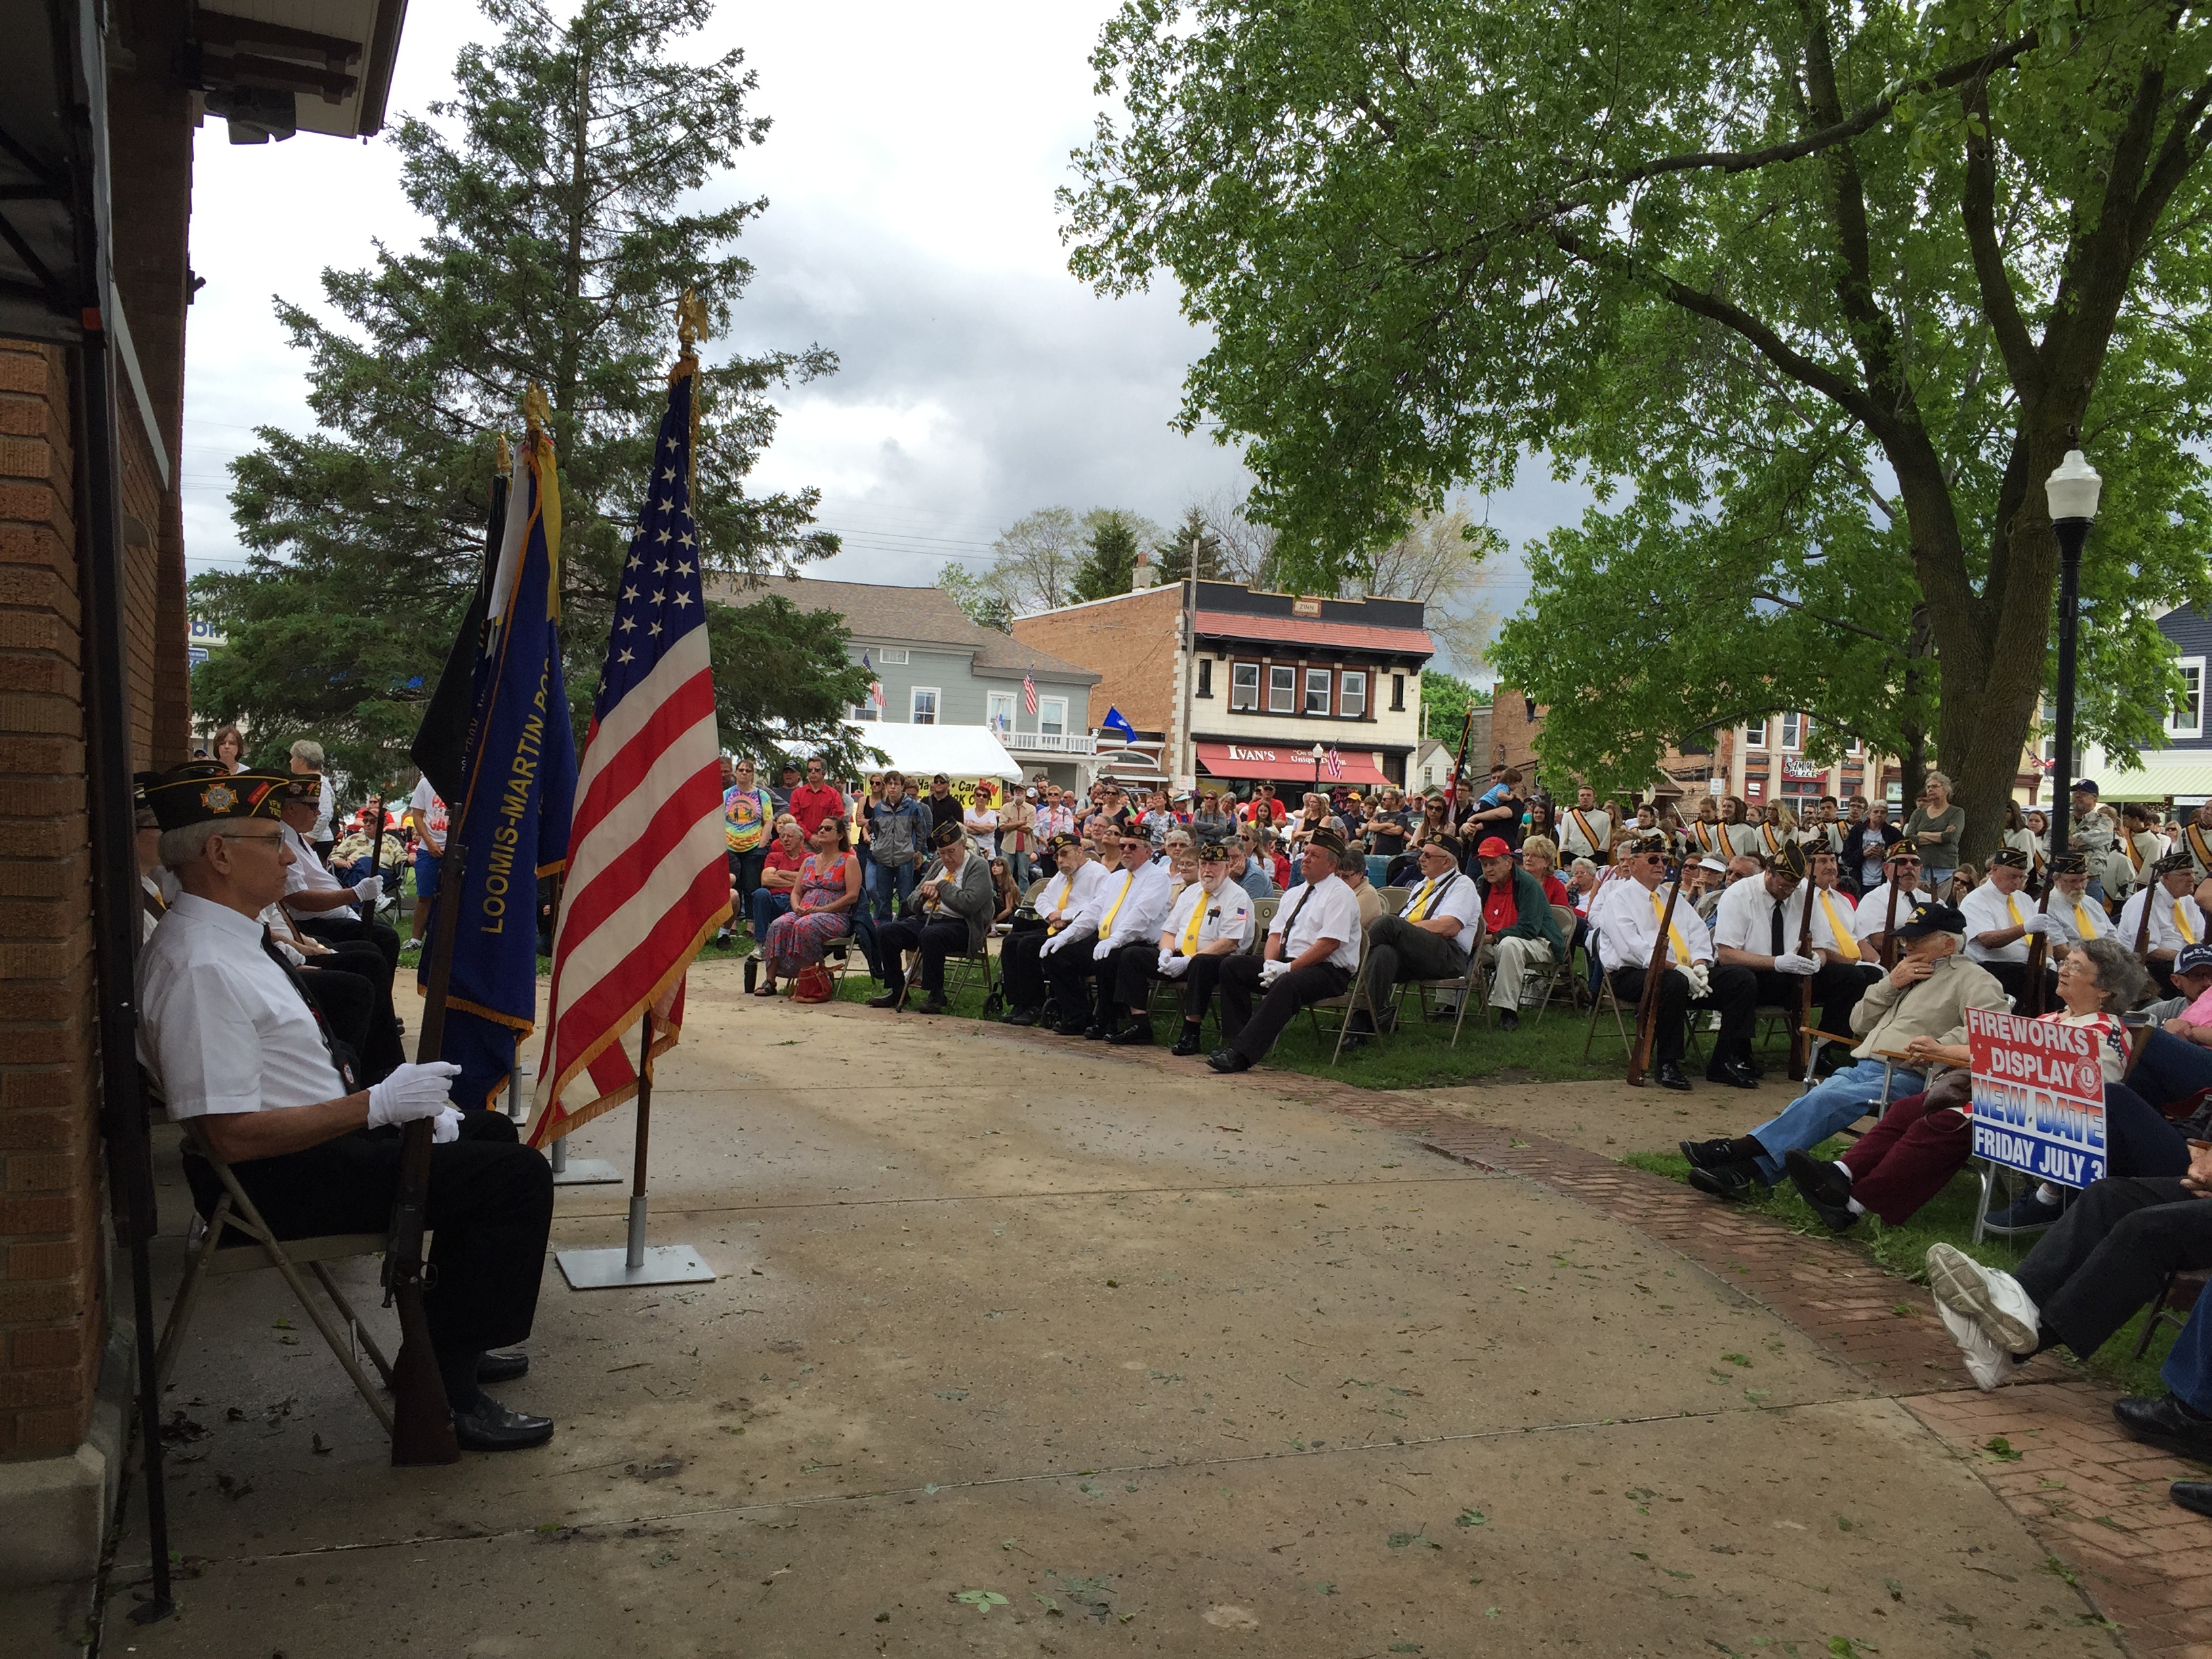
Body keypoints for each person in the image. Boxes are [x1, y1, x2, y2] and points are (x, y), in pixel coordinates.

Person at [136, 760, 555, 1452]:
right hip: (279, 1181)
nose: (286, 856)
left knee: (488, 1134)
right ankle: (449, 1392)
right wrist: (375, 1108)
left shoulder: (225, 936)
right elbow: (232, 1136)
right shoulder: (199, 966)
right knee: (515, 1182)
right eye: (270, 841)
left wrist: (378, 1105)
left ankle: (452, 1341)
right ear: (218, 854)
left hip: (309, 1149)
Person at [1788, 935, 2160, 1234]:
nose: (2063, 970)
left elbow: (2094, 1096)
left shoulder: (2104, 1033)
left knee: (1944, 1123)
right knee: (1910, 1107)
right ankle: (1840, 1175)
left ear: (2105, 990)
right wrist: (1944, 1051)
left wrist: (1959, 1056)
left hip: (2044, 1121)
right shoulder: (2054, 1017)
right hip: (2001, 1098)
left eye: (2076, 968)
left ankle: (1853, 1206)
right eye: (2065, 962)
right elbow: (2002, 1053)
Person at [1679, 901, 2008, 1200]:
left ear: (1949, 943)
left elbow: (1991, 1037)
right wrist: (1890, 985)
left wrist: (1942, 1046)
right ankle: (1745, 1174)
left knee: (1826, 1099)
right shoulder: (1908, 972)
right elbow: (1858, 1023)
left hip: (1911, 1076)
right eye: (1907, 939)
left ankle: (1736, 1149)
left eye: (1918, 940)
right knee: (1814, 1099)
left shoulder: (1974, 980)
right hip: (1866, 1065)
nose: (1907, 946)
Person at [1595, 834, 1757, 1092]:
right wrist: (1679, 969)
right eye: (1653, 859)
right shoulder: (1619, 899)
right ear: (1634, 864)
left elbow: (1698, 931)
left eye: (1664, 859)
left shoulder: (1672, 896)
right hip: (1633, 975)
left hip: (1685, 973)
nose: (1660, 864)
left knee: (1741, 979)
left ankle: (1725, 1060)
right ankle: (1667, 1063)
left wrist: (1701, 964)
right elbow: (1633, 950)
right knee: (1673, 982)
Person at [1208, 830, 1364, 1073]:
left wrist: (1288, 968)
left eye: (1314, 855)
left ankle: (1242, 1054)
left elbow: (1329, 944)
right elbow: (1275, 935)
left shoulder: (1340, 894)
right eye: (1306, 852)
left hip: (1328, 970)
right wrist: (1271, 963)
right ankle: (1235, 1041)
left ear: (1332, 864)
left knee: (1288, 982)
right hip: (1287, 963)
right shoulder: (1294, 893)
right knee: (1232, 967)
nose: (1306, 858)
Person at [1708, 841, 1864, 1074]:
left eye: (1794, 886)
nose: (1789, 891)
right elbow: (1727, 954)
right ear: (1769, 873)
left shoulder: (1804, 892)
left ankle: (1823, 1048)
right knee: (1741, 979)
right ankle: (1737, 1054)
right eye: (1784, 886)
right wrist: (1776, 962)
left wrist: (1815, 959)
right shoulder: (1739, 895)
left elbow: (1821, 947)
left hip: (1794, 973)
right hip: (1753, 972)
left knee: (1850, 976)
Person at [1106, 840, 1256, 1050]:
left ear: (1227, 868)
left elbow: (1229, 943)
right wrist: (1165, 951)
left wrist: (1188, 960)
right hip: (1178, 955)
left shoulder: (1238, 897)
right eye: (1203, 864)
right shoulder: (1191, 892)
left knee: (1200, 964)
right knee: (1132, 955)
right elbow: (1169, 931)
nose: (1207, 870)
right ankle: (1139, 1025)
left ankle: (1191, 1033)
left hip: (1214, 961)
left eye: (1214, 865)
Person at [1339, 834, 1486, 1044]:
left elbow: (1449, 926)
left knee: (1389, 923)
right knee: (1383, 954)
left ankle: (1346, 964)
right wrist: (1404, 931)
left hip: (1447, 956)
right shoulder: (1421, 886)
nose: (1421, 858)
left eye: (1427, 855)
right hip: (1415, 955)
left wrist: (1404, 929)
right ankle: (1362, 1024)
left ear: (1446, 861)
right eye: (1421, 853)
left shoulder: (1462, 885)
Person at [1044, 827, 1176, 1038]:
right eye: (1122, 846)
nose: (1125, 850)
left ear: (1148, 851)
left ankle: (1107, 1020)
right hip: (1108, 938)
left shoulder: (1156, 877)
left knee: (1109, 958)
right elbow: (1094, 910)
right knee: (1057, 955)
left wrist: (1116, 938)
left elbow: (1141, 915)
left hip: (1138, 941)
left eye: (1132, 846)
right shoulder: (1117, 878)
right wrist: (1066, 935)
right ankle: (1079, 1014)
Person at [868, 821, 995, 1014]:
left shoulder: (978, 866)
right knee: (887, 931)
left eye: (951, 851)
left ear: (963, 845)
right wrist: (923, 896)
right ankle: (897, 989)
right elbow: (911, 901)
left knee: (931, 934)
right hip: (929, 919)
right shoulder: (938, 866)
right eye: (941, 853)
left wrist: (942, 887)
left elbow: (970, 904)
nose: (946, 858)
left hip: (962, 925)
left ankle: (936, 994)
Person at [1002, 834, 1108, 1025]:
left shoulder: (1098, 874)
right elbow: (1042, 898)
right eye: (1057, 856)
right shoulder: (1061, 876)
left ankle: (1035, 1004)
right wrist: (1051, 914)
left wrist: (1065, 915)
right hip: (1055, 926)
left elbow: (1097, 907)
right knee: (1011, 941)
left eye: (1065, 854)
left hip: (1082, 931)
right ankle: (1018, 1002)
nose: (1060, 860)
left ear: (1079, 851)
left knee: (1028, 945)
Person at [1466, 835, 1566, 1032]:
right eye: (1485, 865)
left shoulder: (1527, 884)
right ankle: (1451, 1005)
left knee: (1510, 944)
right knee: (1460, 945)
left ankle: (1508, 1011)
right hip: (1496, 941)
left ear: (1509, 862)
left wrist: (1492, 938)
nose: (1488, 869)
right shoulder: (1482, 883)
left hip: (1538, 941)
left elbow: (1529, 929)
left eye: (1493, 863)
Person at [756, 816, 862, 998]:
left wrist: (822, 910)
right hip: (804, 911)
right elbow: (796, 892)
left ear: (840, 836)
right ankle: (770, 981)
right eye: (820, 827)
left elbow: (852, 895)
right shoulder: (810, 861)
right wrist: (796, 906)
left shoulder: (849, 861)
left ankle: (814, 979)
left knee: (804, 926)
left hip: (835, 915)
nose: (821, 831)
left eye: (828, 829)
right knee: (778, 925)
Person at [2118, 850, 2207, 997]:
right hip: (2154, 967)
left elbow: (2199, 937)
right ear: (2166, 877)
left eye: (2193, 874)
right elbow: (2149, 950)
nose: (2192, 879)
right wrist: (2185, 957)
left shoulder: (2188, 901)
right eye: (2185, 875)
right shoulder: (2144, 902)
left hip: (2186, 962)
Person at [862, 771, 930, 925]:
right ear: (886, 786)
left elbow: (922, 830)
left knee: (905, 897)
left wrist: (916, 851)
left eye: (897, 784)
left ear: (902, 787)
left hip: (905, 857)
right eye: (890, 784)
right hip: (883, 857)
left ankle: (904, 927)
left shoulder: (912, 807)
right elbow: (876, 830)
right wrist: (879, 847)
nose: (893, 787)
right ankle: (884, 928)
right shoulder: (879, 808)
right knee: (883, 897)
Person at [721, 756, 775, 940]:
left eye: (748, 770)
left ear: (753, 775)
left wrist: (762, 844)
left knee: (752, 886)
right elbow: (719, 819)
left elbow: (768, 821)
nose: (744, 773)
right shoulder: (726, 795)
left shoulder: (762, 795)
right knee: (733, 886)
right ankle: (732, 924)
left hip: (753, 846)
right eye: (741, 770)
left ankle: (751, 925)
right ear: (736, 773)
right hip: (730, 845)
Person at [2024, 849, 2112, 959]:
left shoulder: (2091, 903)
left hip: (2107, 961)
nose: (2079, 886)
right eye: (2073, 881)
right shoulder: (2046, 907)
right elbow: (2060, 951)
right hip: (2073, 964)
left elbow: (2113, 936)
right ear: (2056, 880)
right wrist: (2098, 960)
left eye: (2083, 880)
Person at [1853, 845, 1929, 962]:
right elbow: (1879, 941)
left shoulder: (1930, 899)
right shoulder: (1874, 900)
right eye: (1901, 862)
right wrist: (1928, 938)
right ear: (1886, 868)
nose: (1909, 866)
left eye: (1915, 862)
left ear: (1921, 868)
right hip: (1895, 962)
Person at [403, 773, 449, 950]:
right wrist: (430, 842)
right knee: (424, 895)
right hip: (428, 848)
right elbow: (417, 816)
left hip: (455, 846)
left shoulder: (463, 779)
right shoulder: (425, 783)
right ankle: (416, 939)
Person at [750, 815, 809, 941]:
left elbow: (808, 881)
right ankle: (760, 943)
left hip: (797, 901)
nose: (785, 840)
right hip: (774, 900)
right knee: (761, 893)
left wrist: (781, 872)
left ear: (800, 840)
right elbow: (766, 880)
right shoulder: (774, 857)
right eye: (783, 837)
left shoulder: (809, 858)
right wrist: (796, 880)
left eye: (790, 837)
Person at [289, 739, 337, 863]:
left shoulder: (319, 784)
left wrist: (307, 841)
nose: (290, 761)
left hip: (317, 843)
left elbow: (325, 814)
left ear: (301, 760)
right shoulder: (310, 782)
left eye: (293, 757)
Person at [1841, 799, 1900, 896]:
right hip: (1860, 881)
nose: (1879, 815)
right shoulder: (1857, 830)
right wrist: (1863, 854)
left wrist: (1885, 854)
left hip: (1884, 882)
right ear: (1869, 814)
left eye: (1883, 812)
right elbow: (1846, 857)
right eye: (1876, 812)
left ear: (1887, 816)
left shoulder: (1893, 834)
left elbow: (1901, 857)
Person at [1558, 785, 1612, 868]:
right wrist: (1566, 863)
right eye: (1582, 795)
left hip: (1594, 860)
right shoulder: (1568, 816)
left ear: (1594, 798)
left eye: (1589, 795)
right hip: (1573, 860)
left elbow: (1606, 841)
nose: (1585, 797)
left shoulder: (1604, 816)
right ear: (1578, 798)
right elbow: (1563, 841)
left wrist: (1597, 862)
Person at [998, 783, 1037, 887]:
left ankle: (1023, 896)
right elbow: (1002, 827)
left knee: (1024, 874)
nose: (1018, 793)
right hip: (1008, 845)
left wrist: (1010, 824)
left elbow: (1029, 828)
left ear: (1025, 794)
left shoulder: (1031, 809)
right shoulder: (1006, 807)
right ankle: (1007, 894)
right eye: (1016, 791)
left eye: (1021, 791)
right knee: (1007, 873)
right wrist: (1020, 823)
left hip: (1025, 845)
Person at [1231, 830, 1275, 900]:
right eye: (1237, 837)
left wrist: (1230, 877)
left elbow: (1244, 906)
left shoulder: (1256, 874)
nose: (1240, 840)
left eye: (1245, 838)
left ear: (1254, 844)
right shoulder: (1225, 865)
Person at [963, 780, 1001, 856]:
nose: (981, 797)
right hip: (970, 850)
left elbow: (990, 828)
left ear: (988, 800)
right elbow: (964, 829)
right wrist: (983, 828)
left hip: (988, 852)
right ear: (974, 797)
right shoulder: (967, 812)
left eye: (985, 796)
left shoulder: (992, 813)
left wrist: (970, 824)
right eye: (978, 795)